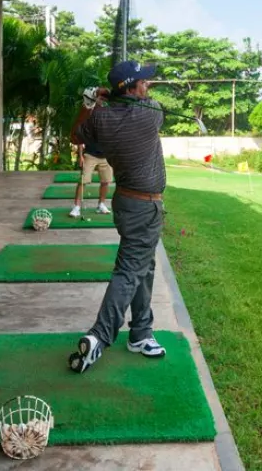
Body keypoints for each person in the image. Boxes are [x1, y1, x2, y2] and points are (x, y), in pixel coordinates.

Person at [67, 60, 167, 373]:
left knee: (143, 266)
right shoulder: (150, 113)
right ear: (133, 88)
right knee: (129, 271)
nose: (148, 85)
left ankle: (141, 333)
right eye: (144, 82)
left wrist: (93, 100)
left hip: (125, 202)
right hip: (144, 208)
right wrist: (113, 94)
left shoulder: (101, 117)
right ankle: (100, 335)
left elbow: (74, 135)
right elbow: (147, 103)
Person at [69, 140, 113, 218]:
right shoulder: (89, 127)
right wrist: (80, 156)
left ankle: (101, 205)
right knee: (83, 180)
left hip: (106, 156)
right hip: (90, 155)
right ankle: (76, 206)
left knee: (106, 181)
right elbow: (80, 138)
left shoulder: (111, 127)